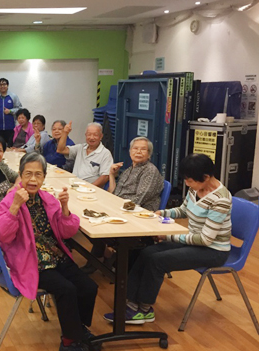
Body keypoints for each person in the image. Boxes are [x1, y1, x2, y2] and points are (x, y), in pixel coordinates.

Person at [0, 152, 100, 351]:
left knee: (89, 286)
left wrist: (65, 208)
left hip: (55, 255)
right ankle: (69, 344)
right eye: (28, 174)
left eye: (38, 175)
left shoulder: (48, 199)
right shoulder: (10, 199)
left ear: (44, 177)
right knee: (66, 290)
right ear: (20, 175)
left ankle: (77, 328)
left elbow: (67, 232)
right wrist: (15, 207)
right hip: (30, 261)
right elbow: (1, 235)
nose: (33, 179)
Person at [104, 154, 232, 325]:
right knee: (146, 252)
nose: (187, 184)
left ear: (206, 177)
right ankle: (130, 303)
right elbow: (183, 210)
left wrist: (168, 236)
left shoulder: (221, 199)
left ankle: (144, 309)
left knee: (158, 260)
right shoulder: (196, 188)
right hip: (194, 241)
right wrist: (160, 213)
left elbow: (205, 239)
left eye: (190, 180)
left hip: (213, 250)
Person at [84, 137, 164, 274]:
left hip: (138, 215)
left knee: (94, 225)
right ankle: (103, 255)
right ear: (130, 151)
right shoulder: (129, 169)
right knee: (85, 220)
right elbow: (114, 193)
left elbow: (138, 200)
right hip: (121, 209)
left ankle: (99, 258)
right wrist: (111, 175)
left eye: (143, 149)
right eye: (135, 148)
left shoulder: (150, 171)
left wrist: (112, 208)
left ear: (149, 154)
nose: (138, 151)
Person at [57, 121, 113, 188]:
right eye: (89, 134)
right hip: (74, 185)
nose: (91, 137)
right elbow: (60, 150)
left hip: (91, 189)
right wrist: (65, 133)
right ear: (85, 135)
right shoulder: (80, 148)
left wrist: (88, 187)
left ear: (101, 136)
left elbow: (105, 176)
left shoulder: (105, 153)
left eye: (95, 135)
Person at [0, 77, 22, 147]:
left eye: (4, 84)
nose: (2, 86)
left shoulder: (13, 96)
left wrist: (10, 111)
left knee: (10, 146)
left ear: (7, 85)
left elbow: (19, 108)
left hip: (10, 127)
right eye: (0, 85)